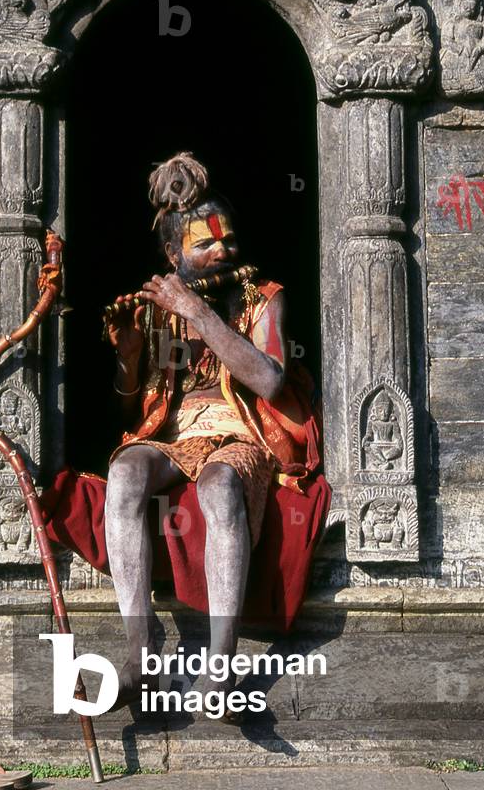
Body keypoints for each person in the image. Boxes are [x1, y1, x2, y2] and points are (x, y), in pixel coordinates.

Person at [104, 151, 321, 712]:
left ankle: (221, 667)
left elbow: (269, 381)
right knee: (124, 473)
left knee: (221, 487)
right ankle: (140, 647)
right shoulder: (158, 308)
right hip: (175, 434)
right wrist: (129, 357)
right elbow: (132, 413)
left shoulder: (262, 297)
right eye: (205, 244)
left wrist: (200, 313)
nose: (222, 250)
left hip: (245, 435)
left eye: (227, 240)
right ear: (174, 255)